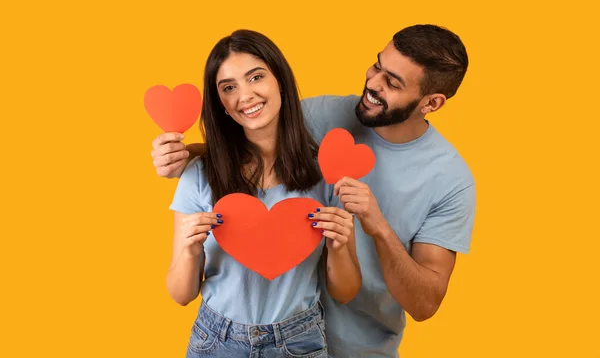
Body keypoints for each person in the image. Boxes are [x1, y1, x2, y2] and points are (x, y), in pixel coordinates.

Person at [153, 24, 476, 358]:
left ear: (432, 102)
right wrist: (183, 158)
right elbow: (248, 133)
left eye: (392, 82)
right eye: (378, 65)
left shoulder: (449, 180)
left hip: (356, 344)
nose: (373, 83)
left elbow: (424, 303)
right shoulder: (322, 115)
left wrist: (374, 223)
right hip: (227, 335)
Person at [166, 29, 361, 358]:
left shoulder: (328, 175)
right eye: (229, 88)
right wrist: (188, 250)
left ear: (280, 79)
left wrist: (340, 246)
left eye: (255, 77)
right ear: (222, 105)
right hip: (215, 341)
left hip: (300, 340)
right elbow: (181, 294)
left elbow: (345, 291)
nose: (245, 96)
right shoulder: (199, 174)